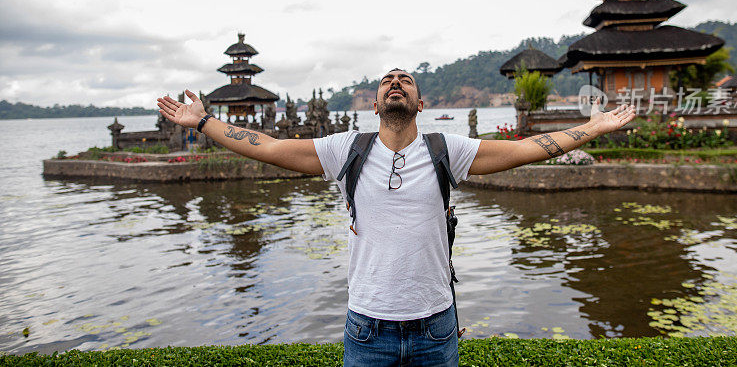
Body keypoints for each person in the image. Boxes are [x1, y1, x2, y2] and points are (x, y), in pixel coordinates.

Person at [156, 69, 636, 366]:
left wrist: (591, 128)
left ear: (420, 103)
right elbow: (270, 147)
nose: (396, 84)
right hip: (367, 327)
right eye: (387, 80)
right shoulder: (346, 149)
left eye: (406, 80)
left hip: (435, 325)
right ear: (374, 103)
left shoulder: (448, 149)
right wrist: (202, 121)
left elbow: (526, 149)